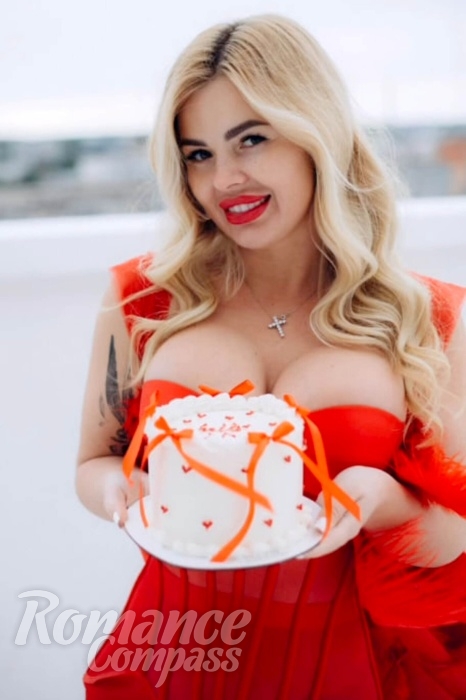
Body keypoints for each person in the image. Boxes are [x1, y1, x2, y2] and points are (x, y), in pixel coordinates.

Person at [76, 14, 466, 699]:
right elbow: (94, 462)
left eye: (250, 140)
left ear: (316, 133)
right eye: (198, 154)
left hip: (354, 670)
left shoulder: (430, 318)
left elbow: (453, 538)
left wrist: (384, 502)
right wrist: (117, 491)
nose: (224, 179)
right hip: (173, 659)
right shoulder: (140, 300)